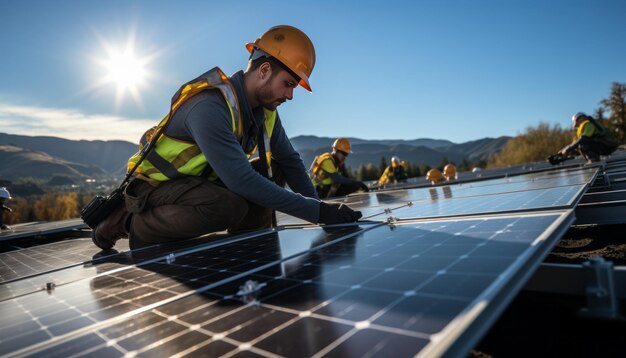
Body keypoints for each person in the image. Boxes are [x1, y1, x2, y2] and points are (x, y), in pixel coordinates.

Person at [92, 25, 362, 250]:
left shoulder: (265, 111)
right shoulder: (209, 106)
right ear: (265, 70)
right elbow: (240, 180)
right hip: (156, 188)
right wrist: (317, 213)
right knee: (228, 205)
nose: (290, 95)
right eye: (288, 84)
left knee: (275, 168)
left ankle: (246, 242)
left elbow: (289, 161)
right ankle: (131, 224)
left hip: (199, 185)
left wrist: (322, 209)